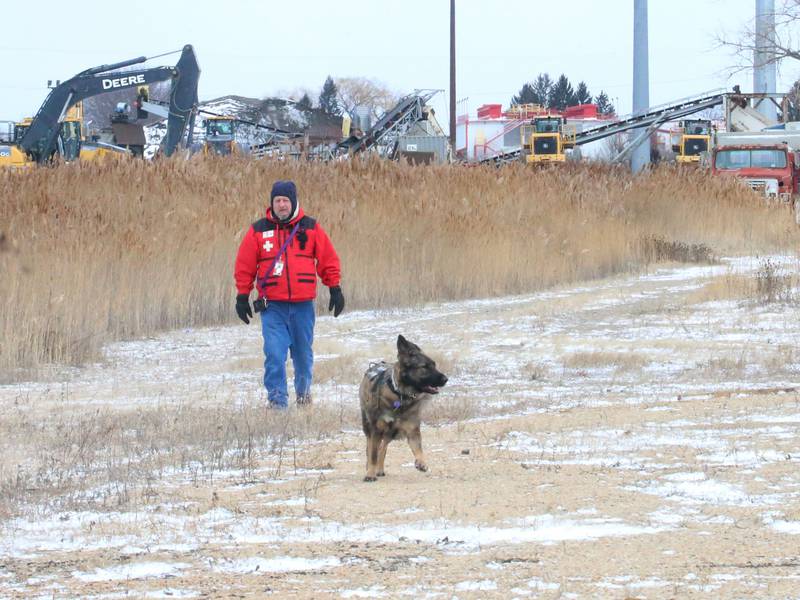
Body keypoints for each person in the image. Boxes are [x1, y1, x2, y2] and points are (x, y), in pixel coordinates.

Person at [234, 180, 344, 409]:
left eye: (285, 200)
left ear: (293, 202)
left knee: (303, 357)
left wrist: (334, 287)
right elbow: (244, 265)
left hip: (303, 307)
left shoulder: (311, 227)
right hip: (272, 307)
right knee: (274, 355)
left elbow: (328, 259)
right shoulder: (258, 230)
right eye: (277, 201)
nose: (281, 205)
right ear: (271, 203)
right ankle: (277, 404)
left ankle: (303, 396)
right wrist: (242, 296)